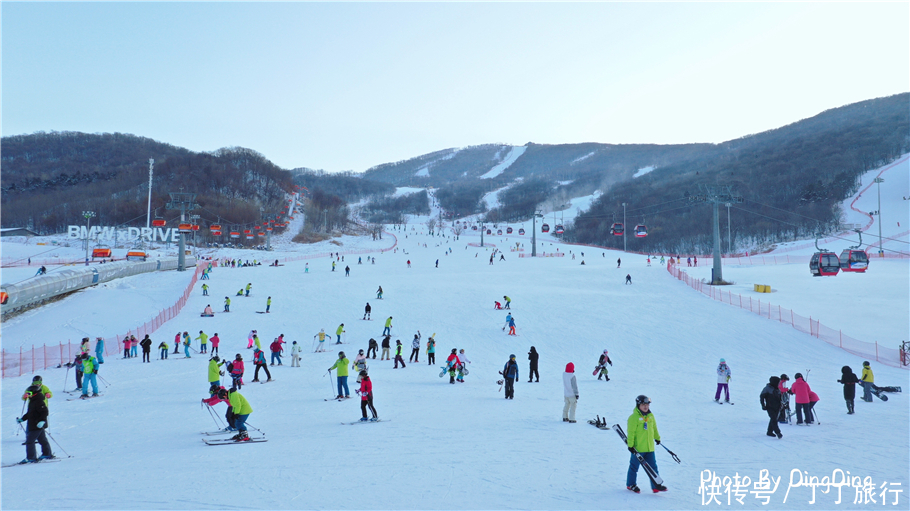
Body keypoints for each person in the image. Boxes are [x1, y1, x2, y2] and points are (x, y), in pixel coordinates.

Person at [625, 395, 666, 493]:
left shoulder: (650, 416)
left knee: (653, 467)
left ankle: (656, 485)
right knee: (634, 467)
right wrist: (630, 445)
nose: (646, 406)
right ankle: (631, 484)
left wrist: (657, 438)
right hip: (638, 448)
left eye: (647, 404)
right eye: (643, 404)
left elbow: (654, 428)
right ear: (638, 405)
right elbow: (631, 432)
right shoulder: (633, 417)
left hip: (649, 447)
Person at [17, 385, 54, 463]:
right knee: (42, 440)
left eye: (29, 393)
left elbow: (45, 412)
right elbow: (30, 413)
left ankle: (31, 458)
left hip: (37, 424)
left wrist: (42, 421)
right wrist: (22, 419)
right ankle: (47, 454)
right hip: (34, 423)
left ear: (34, 393)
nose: (28, 395)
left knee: (30, 441)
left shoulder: (39, 401)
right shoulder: (33, 401)